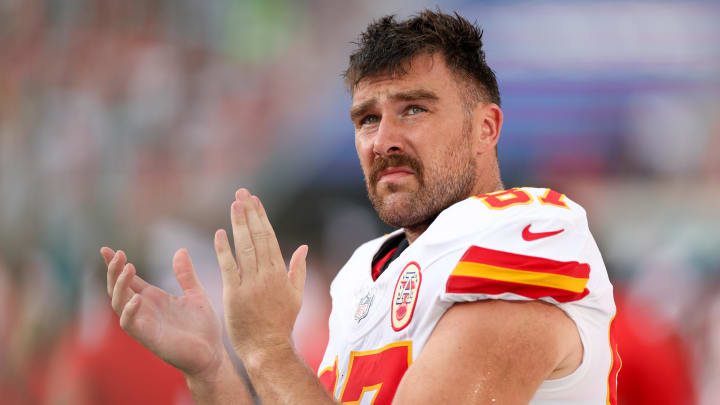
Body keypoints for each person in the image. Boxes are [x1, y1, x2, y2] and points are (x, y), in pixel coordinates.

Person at [101, 10, 619, 404]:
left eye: (413, 109)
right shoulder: (367, 275)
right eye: (367, 119)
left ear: (486, 128)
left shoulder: (519, 241)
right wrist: (214, 370)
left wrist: (267, 349)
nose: (383, 139)